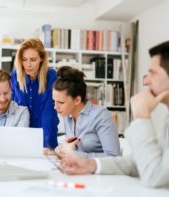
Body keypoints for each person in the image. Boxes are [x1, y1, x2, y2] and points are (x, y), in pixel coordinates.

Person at [60, 41, 169, 188]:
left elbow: (155, 177)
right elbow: (138, 162)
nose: (146, 80)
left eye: (153, 73)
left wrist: (142, 117)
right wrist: (90, 164)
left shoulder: (100, 115)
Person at [52, 66, 120, 158]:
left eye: (61, 102)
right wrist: (61, 149)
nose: (55, 107)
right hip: (78, 170)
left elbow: (114, 157)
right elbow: (73, 148)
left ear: (77, 100)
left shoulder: (101, 116)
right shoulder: (67, 117)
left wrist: (73, 154)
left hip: (100, 172)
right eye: (54, 101)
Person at [10, 38, 59, 153]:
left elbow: (48, 113)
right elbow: (12, 111)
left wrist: (46, 145)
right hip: (20, 135)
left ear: (41, 58)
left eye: (33, 59)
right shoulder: (15, 76)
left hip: (45, 134)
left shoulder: (51, 76)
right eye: (24, 59)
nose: (28, 64)